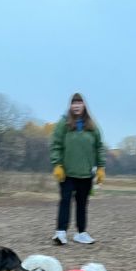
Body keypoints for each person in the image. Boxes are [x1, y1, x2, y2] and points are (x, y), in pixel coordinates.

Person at [50, 93, 106, 245]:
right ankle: (60, 232)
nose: (76, 106)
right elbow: (56, 145)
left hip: (86, 173)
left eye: (79, 103)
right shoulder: (64, 123)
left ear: (84, 105)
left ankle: (81, 233)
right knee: (65, 201)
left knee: (82, 203)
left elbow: (99, 147)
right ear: (70, 106)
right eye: (74, 103)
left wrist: (101, 167)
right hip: (67, 173)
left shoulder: (92, 126)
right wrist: (57, 164)